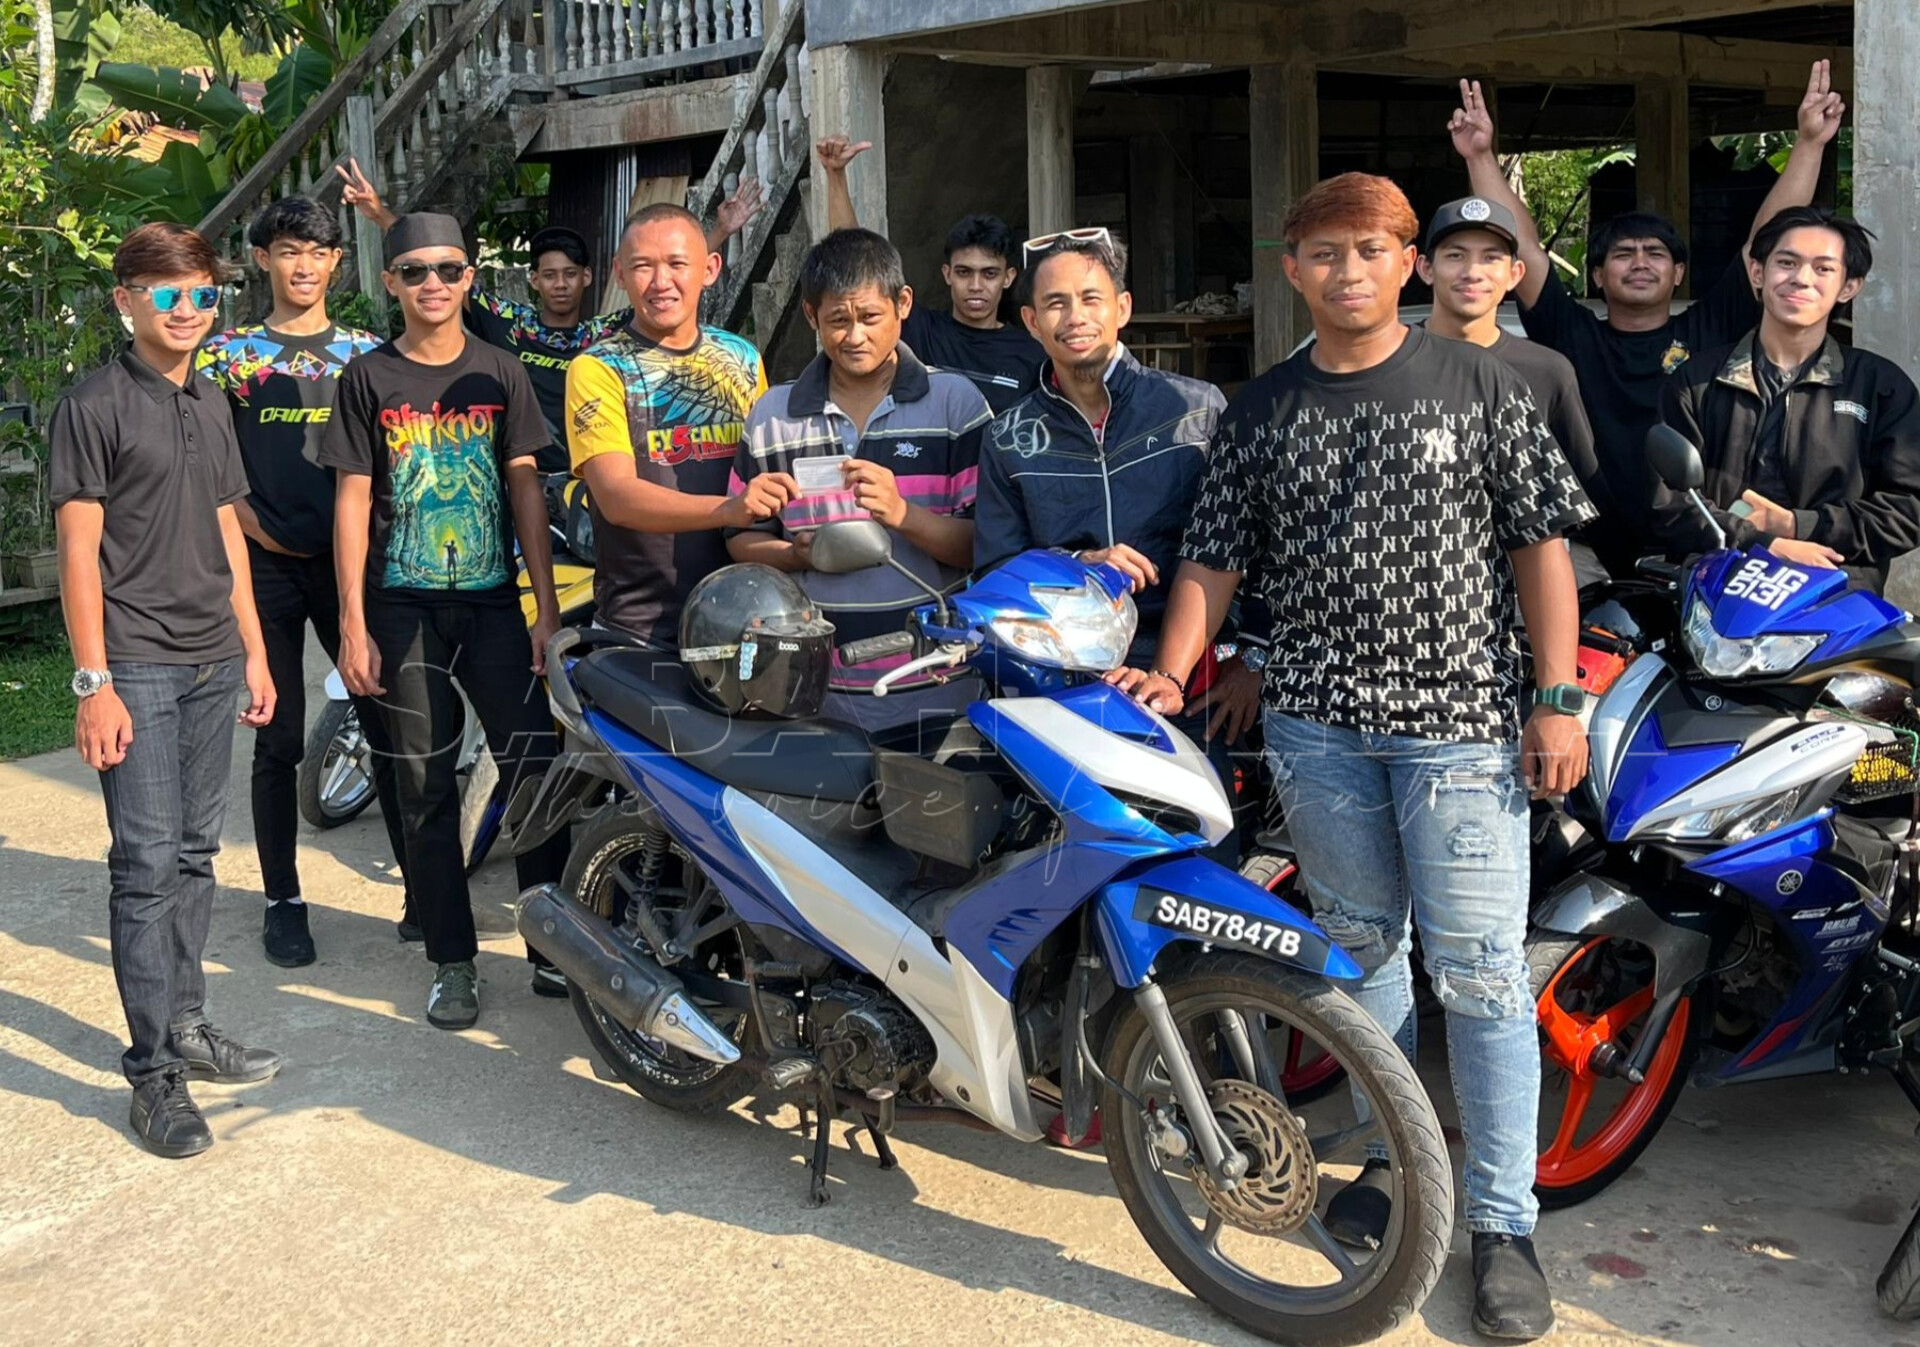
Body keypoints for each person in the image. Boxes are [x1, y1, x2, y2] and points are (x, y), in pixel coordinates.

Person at [1112, 173, 1594, 1341]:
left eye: (1370, 251)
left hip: (1462, 731)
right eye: (1324, 254)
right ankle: (1392, 1166)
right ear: (1293, 270)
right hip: (1317, 733)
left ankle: (1502, 1227)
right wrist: (1171, 673)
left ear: (1407, 265)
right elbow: (1214, 558)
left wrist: (1556, 700)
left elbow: (1541, 551)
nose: (1347, 272)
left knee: (1482, 978)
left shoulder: (1480, 382)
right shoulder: (1263, 408)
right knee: (1363, 962)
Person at [51, 222, 284, 1158]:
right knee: (145, 867)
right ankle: (153, 1076)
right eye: (166, 292)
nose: (187, 309)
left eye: (202, 294)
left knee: (194, 855)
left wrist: (255, 651)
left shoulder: (211, 399)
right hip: (137, 665)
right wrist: (94, 683)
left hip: (212, 660)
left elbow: (229, 532)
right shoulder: (94, 405)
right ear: (126, 300)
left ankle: (185, 1023)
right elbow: (77, 553)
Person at [320, 212, 570, 1026]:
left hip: (495, 604)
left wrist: (545, 607)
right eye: (415, 270)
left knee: (536, 768)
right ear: (390, 280)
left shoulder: (502, 370)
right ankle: (452, 959)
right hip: (402, 608)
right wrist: (352, 621)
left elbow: (526, 487)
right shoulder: (368, 378)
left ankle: (554, 946)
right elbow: (352, 499)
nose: (433, 283)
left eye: (449, 268)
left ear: (470, 277)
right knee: (423, 783)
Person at [1449, 61, 1844, 573]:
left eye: (1655, 254)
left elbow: (1765, 242)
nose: (1640, 263)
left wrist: (1809, 143)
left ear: (1678, 273)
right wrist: (1480, 157)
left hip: (1703, 542)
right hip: (1587, 550)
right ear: (1597, 275)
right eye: (1623, 254)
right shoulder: (1573, 335)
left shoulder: (1707, 330)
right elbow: (1523, 247)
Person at [195, 196, 414, 967]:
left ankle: (422, 890)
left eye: (318, 252)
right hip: (263, 566)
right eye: (289, 251)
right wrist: (252, 526)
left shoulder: (365, 354)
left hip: (351, 566)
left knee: (386, 724)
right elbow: (209, 462)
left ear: (336, 262)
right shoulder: (227, 357)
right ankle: (283, 900)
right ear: (263, 260)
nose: (304, 266)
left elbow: (389, 457)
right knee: (280, 736)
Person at [970, 228, 1260, 763]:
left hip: (1200, 675)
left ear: (1122, 308)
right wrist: (1078, 563)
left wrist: (1253, 661)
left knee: (1204, 816)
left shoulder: (1197, 411)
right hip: (1067, 681)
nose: (1075, 317)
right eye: (1055, 303)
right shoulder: (1009, 437)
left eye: (1091, 299)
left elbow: (1253, 546)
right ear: (1031, 321)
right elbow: (995, 571)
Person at [337, 159, 764, 470]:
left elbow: (666, 286)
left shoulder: (604, 336)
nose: (560, 284)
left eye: (570, 275)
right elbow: (440, 272)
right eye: (550, 275)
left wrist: (720, 231)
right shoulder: (512, 326)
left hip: (597, 471)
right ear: (534, 281)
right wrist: (380, 216)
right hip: (529, 474)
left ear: (589, 278)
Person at [727, 227, 991, 730]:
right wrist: (796, 555)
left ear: (903, 304)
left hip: (939, 691)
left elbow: (985, 545)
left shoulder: (956, 405)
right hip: (814, 697)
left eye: (869, 317)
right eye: (837, 320)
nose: (854, 336)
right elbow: (741, 538)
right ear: (811, 316)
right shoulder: (774, 416)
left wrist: (903, 515)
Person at [565, 203, 791, 651]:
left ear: (710, 269)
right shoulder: (598, 368)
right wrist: (727, 509)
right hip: (640, 628)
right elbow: (616, 497)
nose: (660, 281)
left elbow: (765, 467)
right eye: (642, 267)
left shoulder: (742, 359)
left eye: (676, 264)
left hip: (745, 618)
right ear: (619, 274)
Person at [1659, 206, 1920, 590]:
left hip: (1837, 596)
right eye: (1786, 262)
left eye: (1823, 268)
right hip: (1719, 590)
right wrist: (1763, 543)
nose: (1801, 278)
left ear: (1849, 286)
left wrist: (1800, 525)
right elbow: (1668, 502)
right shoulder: (1697, 380)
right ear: (1757, 272)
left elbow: (1908, 510)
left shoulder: (1879, 386)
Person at [1417, 195, 1611, 588]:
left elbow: (1584, 493)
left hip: (1523, 587)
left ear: (1515, 273)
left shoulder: (1546, 371)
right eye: (1455, 255)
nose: (1473, 271)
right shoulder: (1386, 364)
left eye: (1491, 258)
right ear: (1425, 268)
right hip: (1407, 581)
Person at [817, 137, 1045, 414]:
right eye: (964, 272)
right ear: (947, 274)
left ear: (1008, 278)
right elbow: (854, 263)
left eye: (989, 274)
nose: (975, 285)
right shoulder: (919, 330)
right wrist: (836, 176)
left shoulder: (1032, 354)